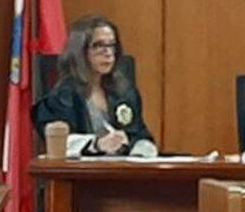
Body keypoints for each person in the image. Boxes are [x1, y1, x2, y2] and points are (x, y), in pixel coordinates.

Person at [32, 15, 156, 156]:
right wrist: (97, 144)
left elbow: (140, 135)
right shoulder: (62, 96)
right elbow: (58, 143)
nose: (108, 53)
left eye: (112, 45)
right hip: (82, 168)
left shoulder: (124, 92)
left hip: (122, 167)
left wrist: (138, 150)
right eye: (98, 46)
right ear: (80, 51)